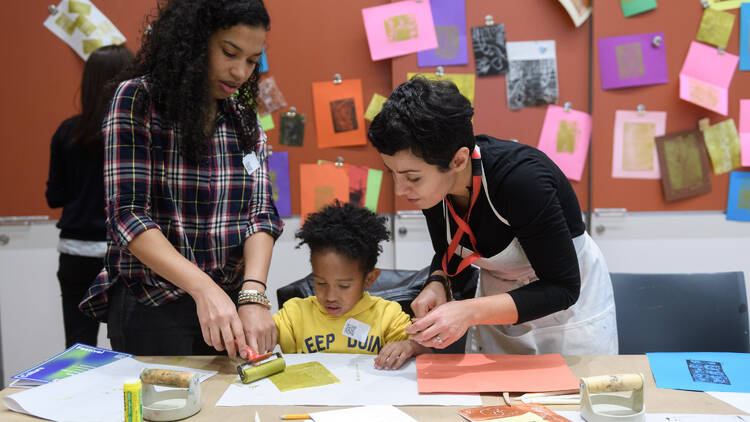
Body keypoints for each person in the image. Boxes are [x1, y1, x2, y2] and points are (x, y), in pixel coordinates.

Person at [79, 0, 282, 358]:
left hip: (229, 307)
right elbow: (128, 214)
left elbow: (261, 213)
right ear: (193, 41)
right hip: (153, 305)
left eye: (252, 61)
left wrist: (252, 294)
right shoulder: (137, 100)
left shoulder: (244, 119)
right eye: (229, 53)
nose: (239, 72)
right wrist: (204, 290)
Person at [368, 77, 617, 355]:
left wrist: (468, 311)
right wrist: (438, 281)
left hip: (567, 309)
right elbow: (449, 250)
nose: (401, 189)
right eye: (393, 173)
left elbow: (562, 288)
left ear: (459, 160)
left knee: (565, 395)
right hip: (497, 302)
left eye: (411, 177)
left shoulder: (521, 180)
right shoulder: (432, 189)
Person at [45, 44, 134, 348]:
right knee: (128, 345)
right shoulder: (133, 130)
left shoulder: (67, 132)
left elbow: (54, 196)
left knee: (79, 345)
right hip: (126, 252)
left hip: (76, 251)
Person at [274, 202, 431, 370]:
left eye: (343, 286)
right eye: (320, 283)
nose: (330, 296)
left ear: (369, 279)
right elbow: (258, 336)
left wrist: (411, 347)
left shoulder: (387, 316)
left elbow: (427, 350)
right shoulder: (294, 315)